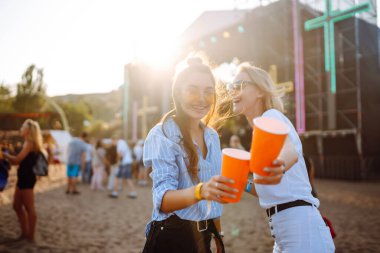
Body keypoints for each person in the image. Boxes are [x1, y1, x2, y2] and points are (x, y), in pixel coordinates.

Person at [142, 57, 286, 253]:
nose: (201, 99)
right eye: (192, 90)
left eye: (208, 92)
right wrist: (201, 191)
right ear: (178, 92)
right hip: (170, 237)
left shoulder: (211, 136)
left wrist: (220, 235)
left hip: (206, 237)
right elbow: (163, 201)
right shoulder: (162, 134)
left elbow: (215, 192)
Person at [227, 62, 335, 252]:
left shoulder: (271, 116)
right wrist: (242, 181)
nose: (233, 91)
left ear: (260, 91)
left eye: (239, 85)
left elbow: (291, 150)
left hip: (301, 229)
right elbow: (266, 190)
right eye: (231, 87)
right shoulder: (260, 132)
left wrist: (280, 165)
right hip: (284, 232)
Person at [3, 119, 47, 242]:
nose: (21, 129)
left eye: (23, 127)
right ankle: (25, 233)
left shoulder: (29, 143)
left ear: (28, 131)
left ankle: (30, 236)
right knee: (17, 206)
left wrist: (4, 155)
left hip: (27, 178)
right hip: (23, 177)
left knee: (29, 207)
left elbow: (17, 160)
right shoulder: (28, 143)